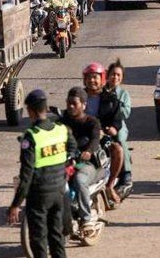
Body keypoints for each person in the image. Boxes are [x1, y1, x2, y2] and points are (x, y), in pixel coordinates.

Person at [7, 89, 76, 258]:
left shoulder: (31, 137)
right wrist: (64, 164)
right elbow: (73, 147)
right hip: (59, 191)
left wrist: (15, 205)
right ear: (45, 108)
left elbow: (26, 176)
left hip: (39, 196)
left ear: (30, 111)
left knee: (39, 241)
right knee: (57, 237)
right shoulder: (61, 130)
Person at [58, 87, 104, 232]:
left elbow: (95, 139)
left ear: (84, 105)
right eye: (69, 103)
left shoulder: (92, 122)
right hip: (65, 162)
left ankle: (86, 219)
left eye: (74, 103)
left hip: (86, 164)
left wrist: (88, 151)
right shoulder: (61, 122)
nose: (71, 106)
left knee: (79, 180)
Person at [83, 63, 124, 204]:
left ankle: (110, 185)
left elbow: (117, 120)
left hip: (102, 137)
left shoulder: (110, 99)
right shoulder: (78, 96)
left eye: (95, 77)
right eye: (89, 77)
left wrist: (113, 128)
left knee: (118, 150)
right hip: (81, 136)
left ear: (102, 79)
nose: (92, 80)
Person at [105, 61, 133, 193]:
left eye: (118, 75)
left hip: (118, 124)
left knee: (120, 140)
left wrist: (114, 106)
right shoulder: (101, 91)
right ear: (107, 75)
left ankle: (126, 174)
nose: (115, 77)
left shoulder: (123, 94)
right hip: (102, 123)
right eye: (113, 74)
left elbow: (126, 113)